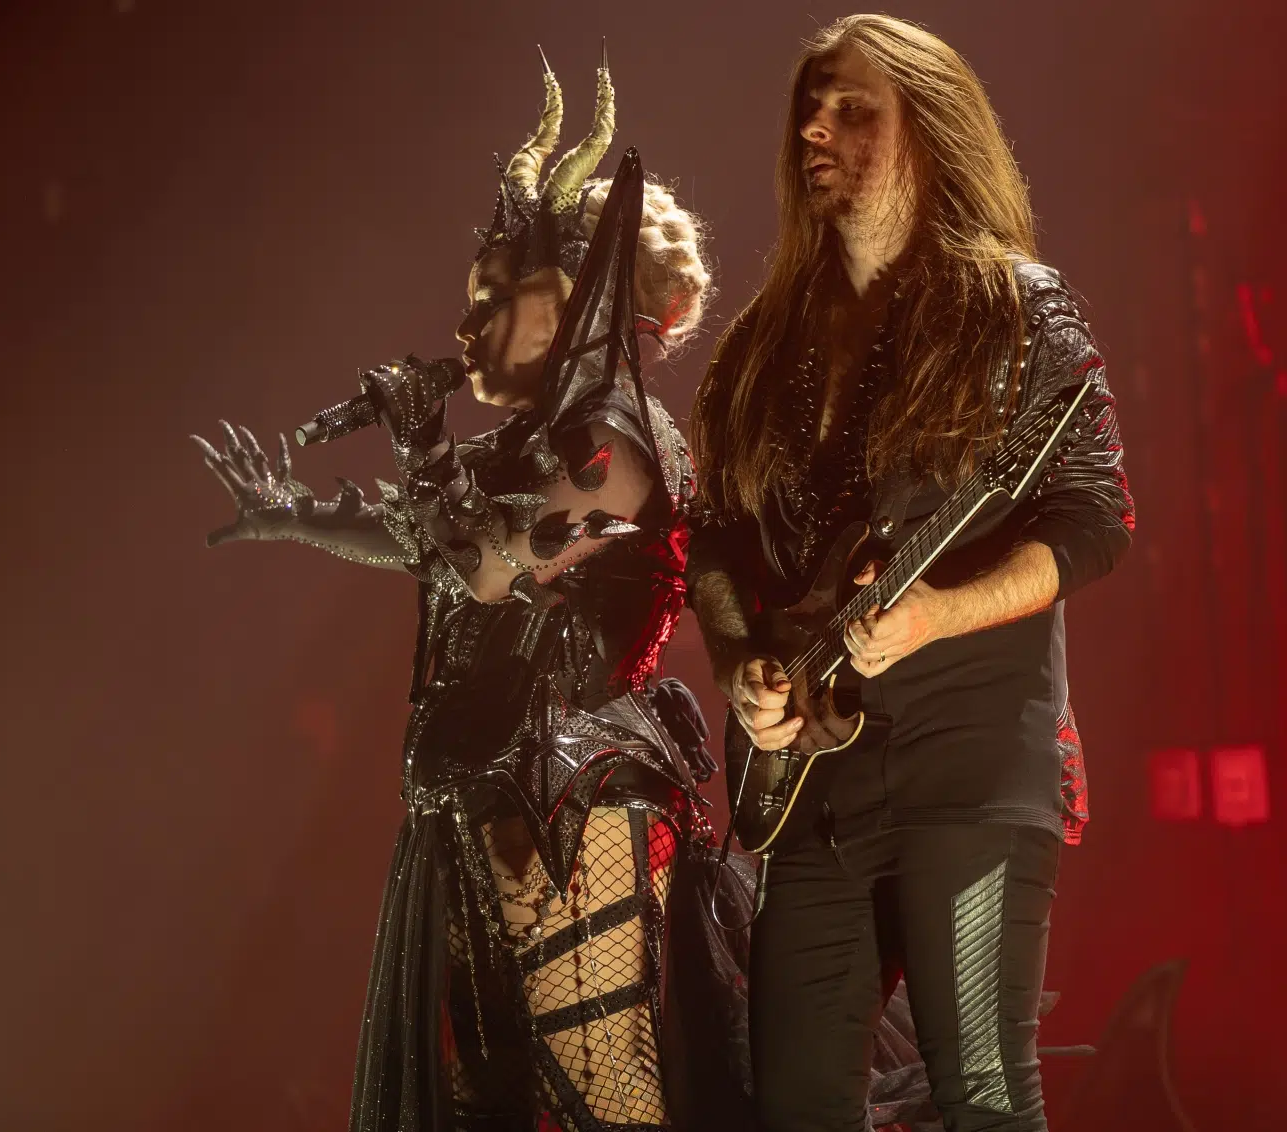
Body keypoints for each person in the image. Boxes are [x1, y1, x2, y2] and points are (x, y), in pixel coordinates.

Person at [195, 56, 753, 1132]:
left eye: (494, 298)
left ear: (579, 296)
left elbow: (493, 564)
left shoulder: (620, 437)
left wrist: (418, 444)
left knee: (606, 1098)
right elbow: (436, 538)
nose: (464, 329)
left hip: (582, 801)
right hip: (484, 805)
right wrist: (296, 513)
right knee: (486, 1107)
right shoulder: (531, 444)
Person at [684, 14, 1134, 1132]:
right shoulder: (762, 347)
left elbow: (1096, 517)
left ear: (927, 132)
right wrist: (740, 660)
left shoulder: (1016, 308)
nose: (813, 129)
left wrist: (945, 611)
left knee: (984, 1094)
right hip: (814, 785)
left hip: (972, 768)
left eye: (851, 110)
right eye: (809, 108)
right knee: (793, 1104)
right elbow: (717, 542)